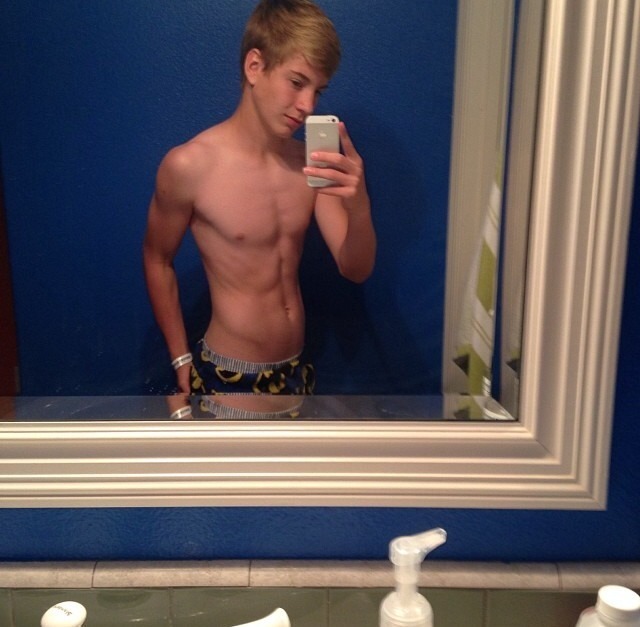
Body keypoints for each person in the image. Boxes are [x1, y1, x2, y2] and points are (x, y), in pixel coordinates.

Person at [143, 0, 376, 397]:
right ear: (254, 66)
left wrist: (360, 205)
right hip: (228, 373)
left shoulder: (310, 164)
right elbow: (157, 258)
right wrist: (180, 359)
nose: (308, 106)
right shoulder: (191, 165)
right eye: (297, 82)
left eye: (317, 91)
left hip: (296, 370)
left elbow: (355, 268)